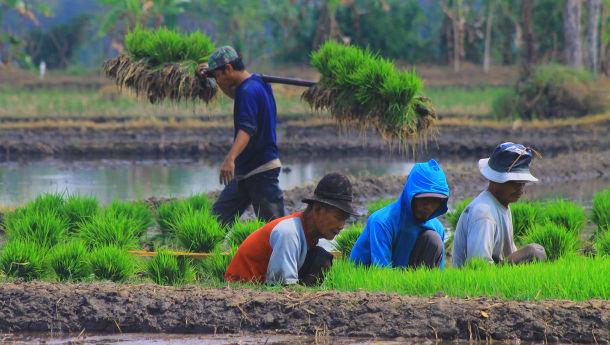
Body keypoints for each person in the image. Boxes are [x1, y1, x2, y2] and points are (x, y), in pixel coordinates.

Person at [201, 46, 286, 227]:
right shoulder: (255, 84)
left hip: (261, 169)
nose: (217, 80)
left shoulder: (248, 91)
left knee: (276, 228)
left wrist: (230, 159)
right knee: (217, 220)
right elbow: (234, 93)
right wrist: (211, 75)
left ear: (229, 69)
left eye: (218, 75)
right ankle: (201, 250)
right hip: (245, 170)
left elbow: (247, 129)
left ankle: (299, 254)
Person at [225, 173, 357, 285]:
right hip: (242, 290)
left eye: (345, 219)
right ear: (318, 209)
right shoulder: (289, 233)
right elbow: (283, 287)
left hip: (264, 286)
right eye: (338, 217)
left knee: (321, 257)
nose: (341, 226)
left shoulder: (308, 235)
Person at [452, 142, 547, 268]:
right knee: (535, 252)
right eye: (514, 182)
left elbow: (510, 254)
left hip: (495, 276)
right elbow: (478, 268)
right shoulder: (483, 213)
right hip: (475, 283)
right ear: (495, 180)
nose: (520, 189)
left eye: (522, 183)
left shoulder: (502, 205)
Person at [350, 159, 450, 269]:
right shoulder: (382, 222)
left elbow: (438, 275)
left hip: (407, 278)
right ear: (410, 196)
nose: (429, 207)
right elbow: (381, 272)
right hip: (369, 279)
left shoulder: (437, 228)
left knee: (433, 240)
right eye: (424, 200)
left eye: (435, 201)